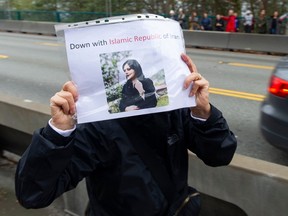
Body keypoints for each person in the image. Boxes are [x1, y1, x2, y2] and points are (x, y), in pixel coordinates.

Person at [15, 53, 237, 216]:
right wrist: (57, 133)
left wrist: (202, 111)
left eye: (130, 69)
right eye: (124, 71)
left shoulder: (176, 108)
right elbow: (32, 193)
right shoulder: (95, 125)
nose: (127, 73)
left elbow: (220, 154)